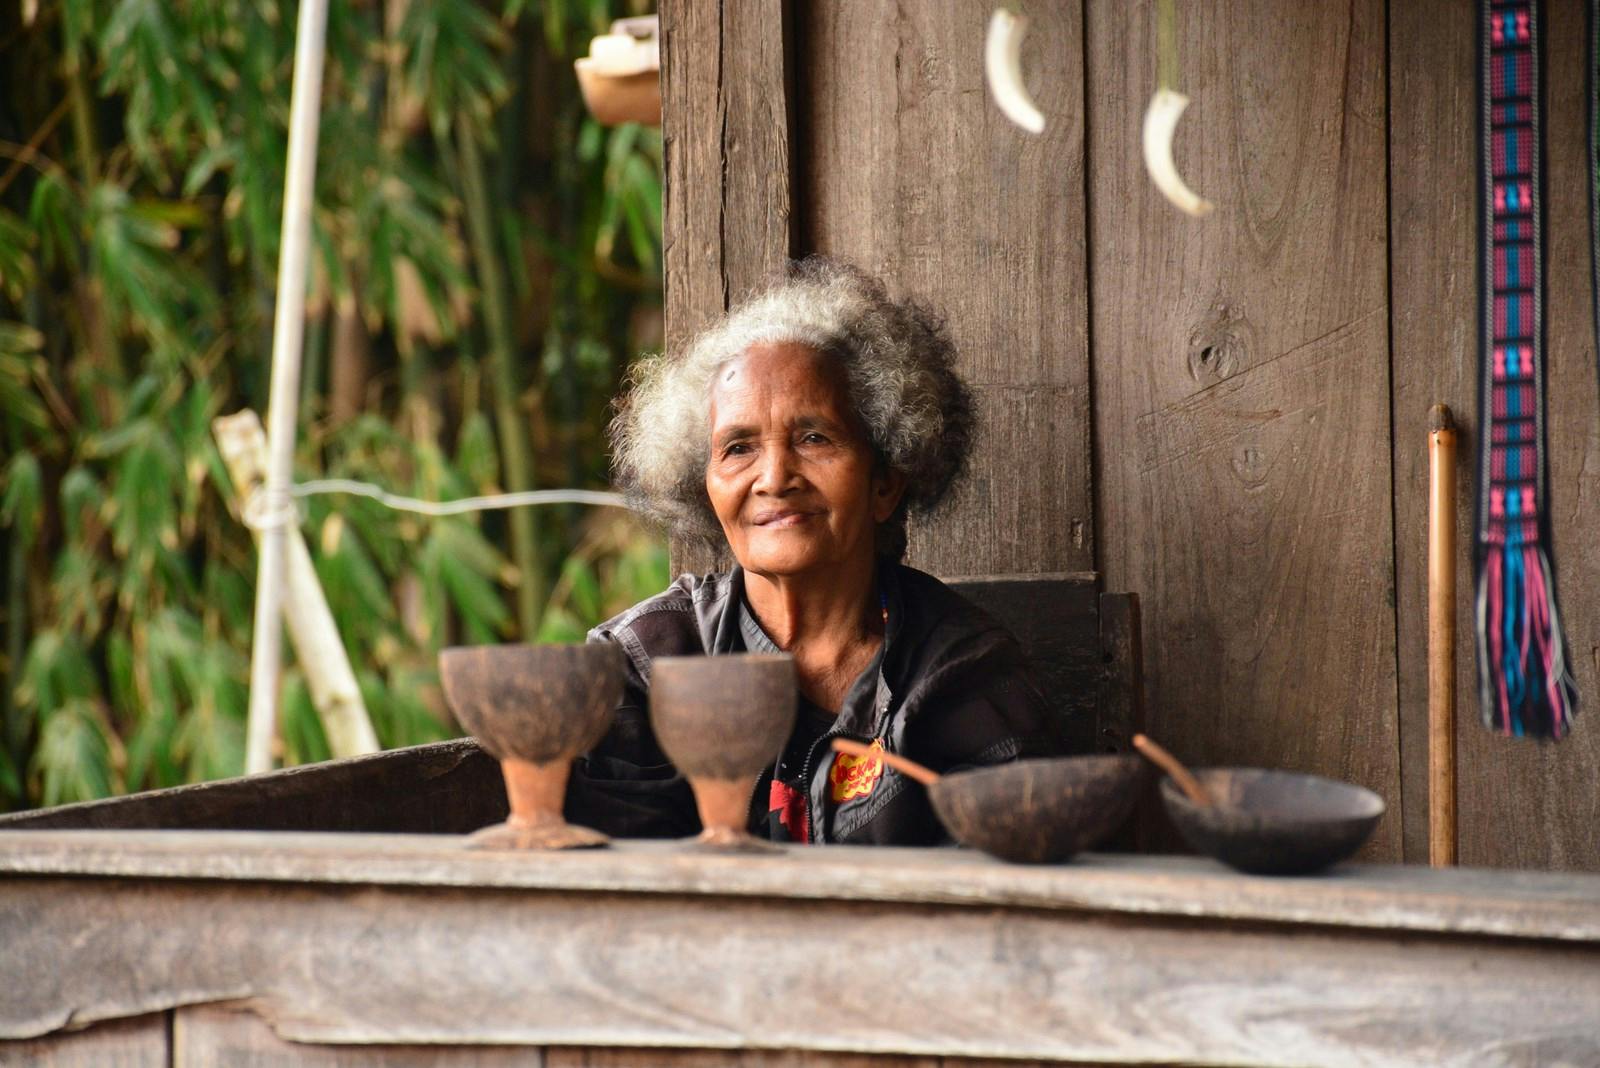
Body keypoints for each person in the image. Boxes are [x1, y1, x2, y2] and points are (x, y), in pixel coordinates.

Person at [565, 258, 1061, 844]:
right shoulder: (646, 666)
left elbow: (993, 907)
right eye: (738, 448)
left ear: (885, 483)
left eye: (814, 438)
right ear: (704, 487)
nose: (774, 477)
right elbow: (612, 896)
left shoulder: (961, 679)